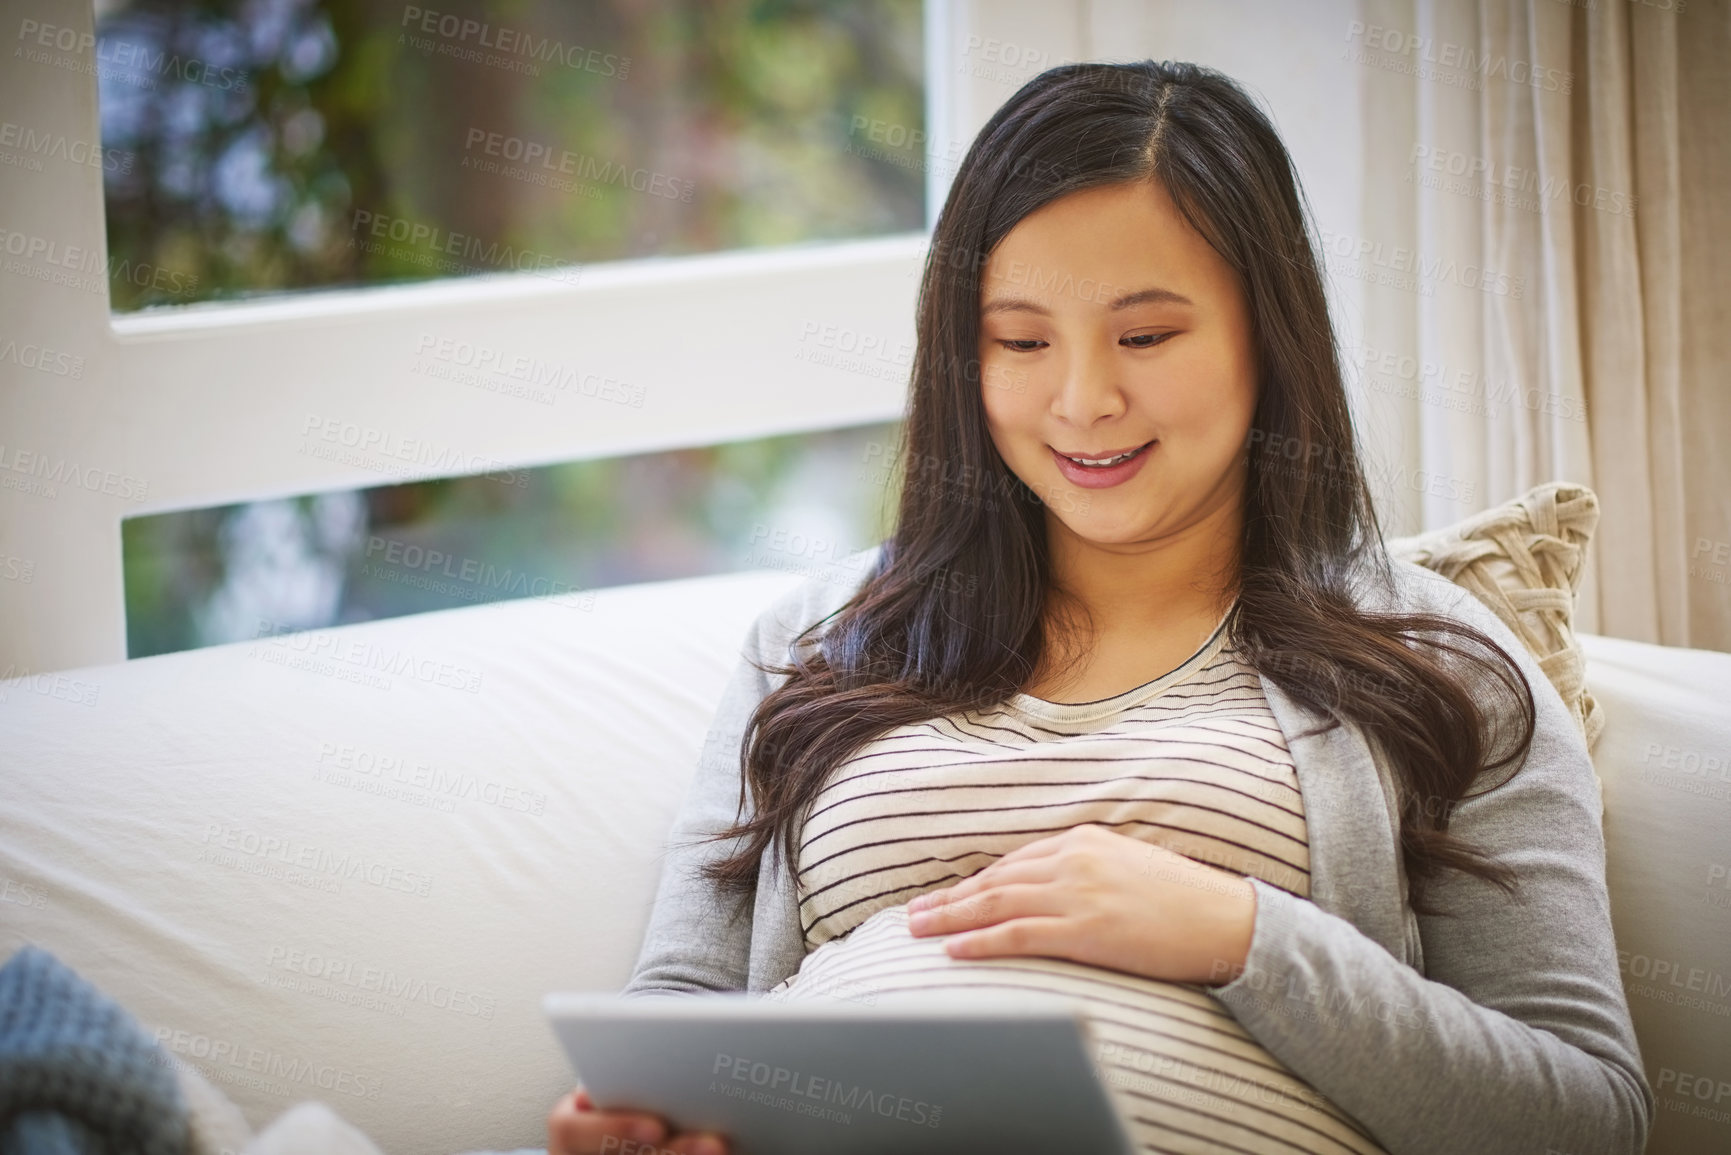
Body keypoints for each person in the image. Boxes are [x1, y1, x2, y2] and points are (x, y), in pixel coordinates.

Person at [547, 59, 1652, 1155]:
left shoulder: (1441, 665)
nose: (1083, 402)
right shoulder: (817, 641)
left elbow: (1587, 1121)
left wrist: (1239, 934)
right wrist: (637, 1125)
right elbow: (679, 1012)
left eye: (1146, 336)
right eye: (1021, 342)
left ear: (1269, 338)